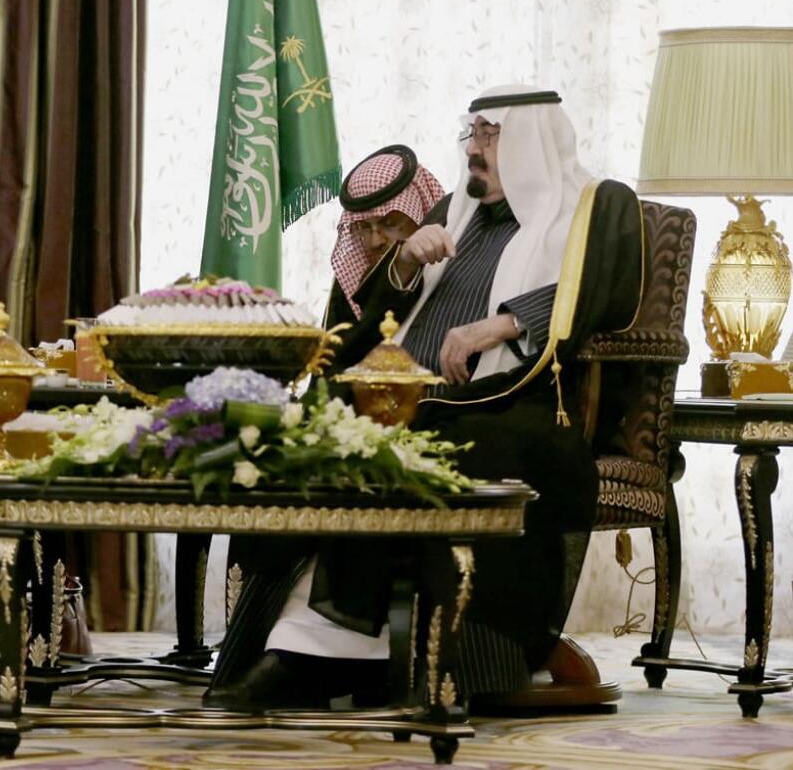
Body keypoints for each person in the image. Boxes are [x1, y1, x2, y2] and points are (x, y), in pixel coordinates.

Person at [206, 85, 645, 712]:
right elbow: (377, 321)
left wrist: (503, 322)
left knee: (411, 451)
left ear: (530, 140)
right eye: (473, 134)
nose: (477, 148)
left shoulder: (594, 207)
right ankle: (303, 648)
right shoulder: (450, 209)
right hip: (408, 399)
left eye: (492, 136)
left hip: (511, 407)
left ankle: (326, 656)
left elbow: (610, 288)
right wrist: (407, 262)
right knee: (309, 439)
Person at [324, 144, 445, 359]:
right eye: (363, 227)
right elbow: (334, 362)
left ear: (420, 212)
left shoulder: (454, 264)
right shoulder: (351, 279)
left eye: (389, 223)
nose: (374, 241)